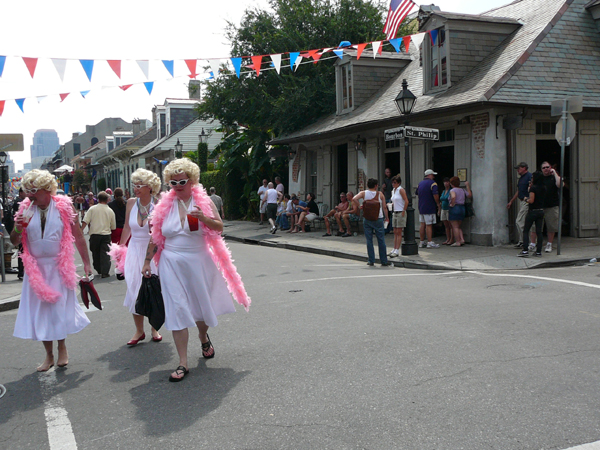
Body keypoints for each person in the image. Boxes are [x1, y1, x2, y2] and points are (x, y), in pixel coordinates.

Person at [141, 158, 250, 382]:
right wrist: (146, 262)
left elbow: (219, 227)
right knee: (177, 308)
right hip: (171, 262)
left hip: (198, 260)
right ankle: (182, 363)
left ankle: (203, 336)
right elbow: (155, 237)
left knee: (202, 307)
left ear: (192, 180)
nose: (178, 185)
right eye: (173, 182)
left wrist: (205, 218)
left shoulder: (204, 201)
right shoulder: (164, 205)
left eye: (182, 181)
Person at [10, 169, 92, 372]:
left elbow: (79, 236)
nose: (29, 195)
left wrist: (87, 263)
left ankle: (62, 347)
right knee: (41, 312)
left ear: (47, 190)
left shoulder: (63, 207)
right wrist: (18, 228)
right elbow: (13, 241)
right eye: (26, 190)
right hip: (35, 269)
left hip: (58, 266)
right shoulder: (25, 209)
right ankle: (48, 355)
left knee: (58, 310)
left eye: (33, 190)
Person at [114, 169, 163, 345]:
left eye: (139, 186)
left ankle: (154, 327)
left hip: (153, 251)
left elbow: (160, 232)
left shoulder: (159, 204)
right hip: (134, 250)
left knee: (153, 289)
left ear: (150, 187)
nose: (135, 189)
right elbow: (127, 227)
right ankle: (139, 330)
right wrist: (119, 250)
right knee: (134, 288)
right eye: (134, 185)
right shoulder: (131, 203)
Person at [352, 178, 390, 266]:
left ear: (367, 185)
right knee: (381, 240)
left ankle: (371, 260)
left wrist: (360, 205)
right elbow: (384, 207)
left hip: (367, 218)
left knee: (369, 240)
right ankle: (383, 260)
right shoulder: (380, 194)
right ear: (376, 186)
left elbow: (354, 198)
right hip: (378, 218)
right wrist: (387, 217)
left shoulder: (364, 193)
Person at [82, 191, 116, 278]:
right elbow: (113, 227)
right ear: (107, 200)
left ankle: (99, 268)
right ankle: (105, 271)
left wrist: (81, 230)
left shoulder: (92, 209)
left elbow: (85, 220)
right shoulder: (110, 211)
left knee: (95, 252)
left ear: (98, 199)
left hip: (94, 234)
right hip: (106, 235)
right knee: (105, 253)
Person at [531, 161, 562, 253]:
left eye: (547, 167)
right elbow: (532, 187)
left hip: (552, 205)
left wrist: (555, 173)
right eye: (543, 168)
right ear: (541, 170)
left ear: (551, 167)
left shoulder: (554, 177)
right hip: (539, 205)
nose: (546, 169)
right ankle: (532, 243)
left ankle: (549, 244)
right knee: (535, 226)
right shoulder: (539, 178)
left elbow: (560, 185)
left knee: (551, 226)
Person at [518, 171, 546, 257]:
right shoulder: (544, 187)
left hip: (533, 211)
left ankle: (525, 250)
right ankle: (538, 251)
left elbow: (531, 200)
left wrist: (525, 199)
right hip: (541, 211)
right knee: (539, 232)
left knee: (526, 230)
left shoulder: (533, 188)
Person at [507, 162, 532, 248]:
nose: (518, 170)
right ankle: (522, 241)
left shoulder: (529, 177)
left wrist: (530, 199)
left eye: (519, 168)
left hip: (527, 201)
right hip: (522, 201)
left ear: (524, 168)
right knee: (523, 222)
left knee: (519, 221)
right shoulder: (521, 178)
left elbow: (532, 188)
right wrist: (511, 201)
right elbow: (519, 191)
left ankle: (526, 241)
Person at [417, 169, 441, 249]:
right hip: (429, 207)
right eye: (433, 175)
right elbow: (435, 195)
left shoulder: (420, 184)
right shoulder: (433, 183)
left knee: (422, 224)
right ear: (429, 175)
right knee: (429, 225)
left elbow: (417, 193)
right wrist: (438, 204)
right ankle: (429, 242)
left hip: (421, 207)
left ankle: (421, 241)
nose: (433, 177)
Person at [448, 177, 472, 247]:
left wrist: (452, 204)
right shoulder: (462, 190)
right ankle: (462, 239)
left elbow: (453, 197)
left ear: (451, 184)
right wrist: (467, 186)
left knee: (455, 227)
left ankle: (457, 241)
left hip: (455, 208)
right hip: (462, 208)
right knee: (458, 226)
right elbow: (469, 195)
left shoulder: (452, 190)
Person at [388, 175, 408, 257]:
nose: (393, 184)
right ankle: (394, 248)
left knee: (399, 231)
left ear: (399, 183)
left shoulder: (401, 190)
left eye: (395, 182)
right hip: (395, 211)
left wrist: (404, 210)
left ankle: (397, 250)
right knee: (395, 231)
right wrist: (391, 205)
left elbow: (406, 200)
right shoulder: (393, 191)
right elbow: (395, 200)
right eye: (392, 182)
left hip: (400, 211)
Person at [12, 188, 26, 279]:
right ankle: (21, 272)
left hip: (22, 230)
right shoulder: (20, 202)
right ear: (21, 193)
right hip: (21, 230)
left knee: (22, 251)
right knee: (22, 252)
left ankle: (21, 272)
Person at [440, 178, 453, 245]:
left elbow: (445, 198)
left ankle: (451, 239)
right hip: (443, 208)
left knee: (450, 225)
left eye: (447, 182)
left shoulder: (451, 191)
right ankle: (447, 238)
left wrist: (443, 198)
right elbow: (442, 198)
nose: (446, 183)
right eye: (444, 182)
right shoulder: (443, 191)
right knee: (446, 225)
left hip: (448, 209)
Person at [381, 168, 393, 234]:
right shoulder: (385, 180)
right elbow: (383, 190)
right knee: (386, 215)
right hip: (386, 198)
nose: (388, 174)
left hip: (391, 198)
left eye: (389, 172)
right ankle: (385, 229)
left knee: (391, 214)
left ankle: (390, 228)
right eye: (387, 172)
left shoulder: (392, 180)